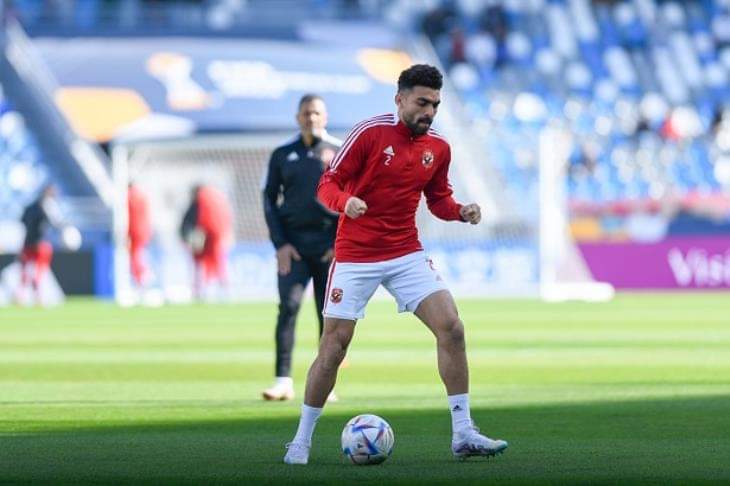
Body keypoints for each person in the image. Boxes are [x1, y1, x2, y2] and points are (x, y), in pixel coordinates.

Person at [283, 65, 508, 465]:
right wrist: (346, 203)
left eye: (435, 104)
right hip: (356, 255)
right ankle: (301, 440)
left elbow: (438, 199)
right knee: (334, 346)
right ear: (400, 99)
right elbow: (327, 184)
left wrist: (460, 211)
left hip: (405, 251)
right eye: (422, 102)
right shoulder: (369, 133)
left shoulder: (438, 147)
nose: (429, 112)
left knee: (452, 327)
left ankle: (463, 433)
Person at [261, 94, 341, 401]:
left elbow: (353, 199)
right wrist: (280, 243)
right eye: (306, 113)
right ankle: (283, 381)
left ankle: (326, 385)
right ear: (298, 118)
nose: (311, 118)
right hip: (293, 247)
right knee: (289, 306)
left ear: (325, 117)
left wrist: (340, 243)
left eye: (316, 113)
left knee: (329, 315)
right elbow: (269, 199)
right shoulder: (282, 154)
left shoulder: (340, 151)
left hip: (328, 247)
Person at [180, 184, 233, 300]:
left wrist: (190, 235)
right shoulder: (214, 201)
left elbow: (193, 221)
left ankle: (206, 290)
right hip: (211, 236)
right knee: (216, 264)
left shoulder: (202, 202)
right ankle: (217, 290)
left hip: (204, 236)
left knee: (205, 265)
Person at [16, 184, 64, 305]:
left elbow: (22, 221)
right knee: (38, 270)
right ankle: (37, 296)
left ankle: (21, 295)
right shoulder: (47, 207)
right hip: (41, 244)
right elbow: (54, 223)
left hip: (28, 242)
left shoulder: (29, 207)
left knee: (26, 269)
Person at [127, 182, 152, 289]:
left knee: (135, 257)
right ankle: (142, 278)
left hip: (135, 232)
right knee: (140, 255)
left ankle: (141, 280)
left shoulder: (129, 197)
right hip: (144, 231)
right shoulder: (142, 196)